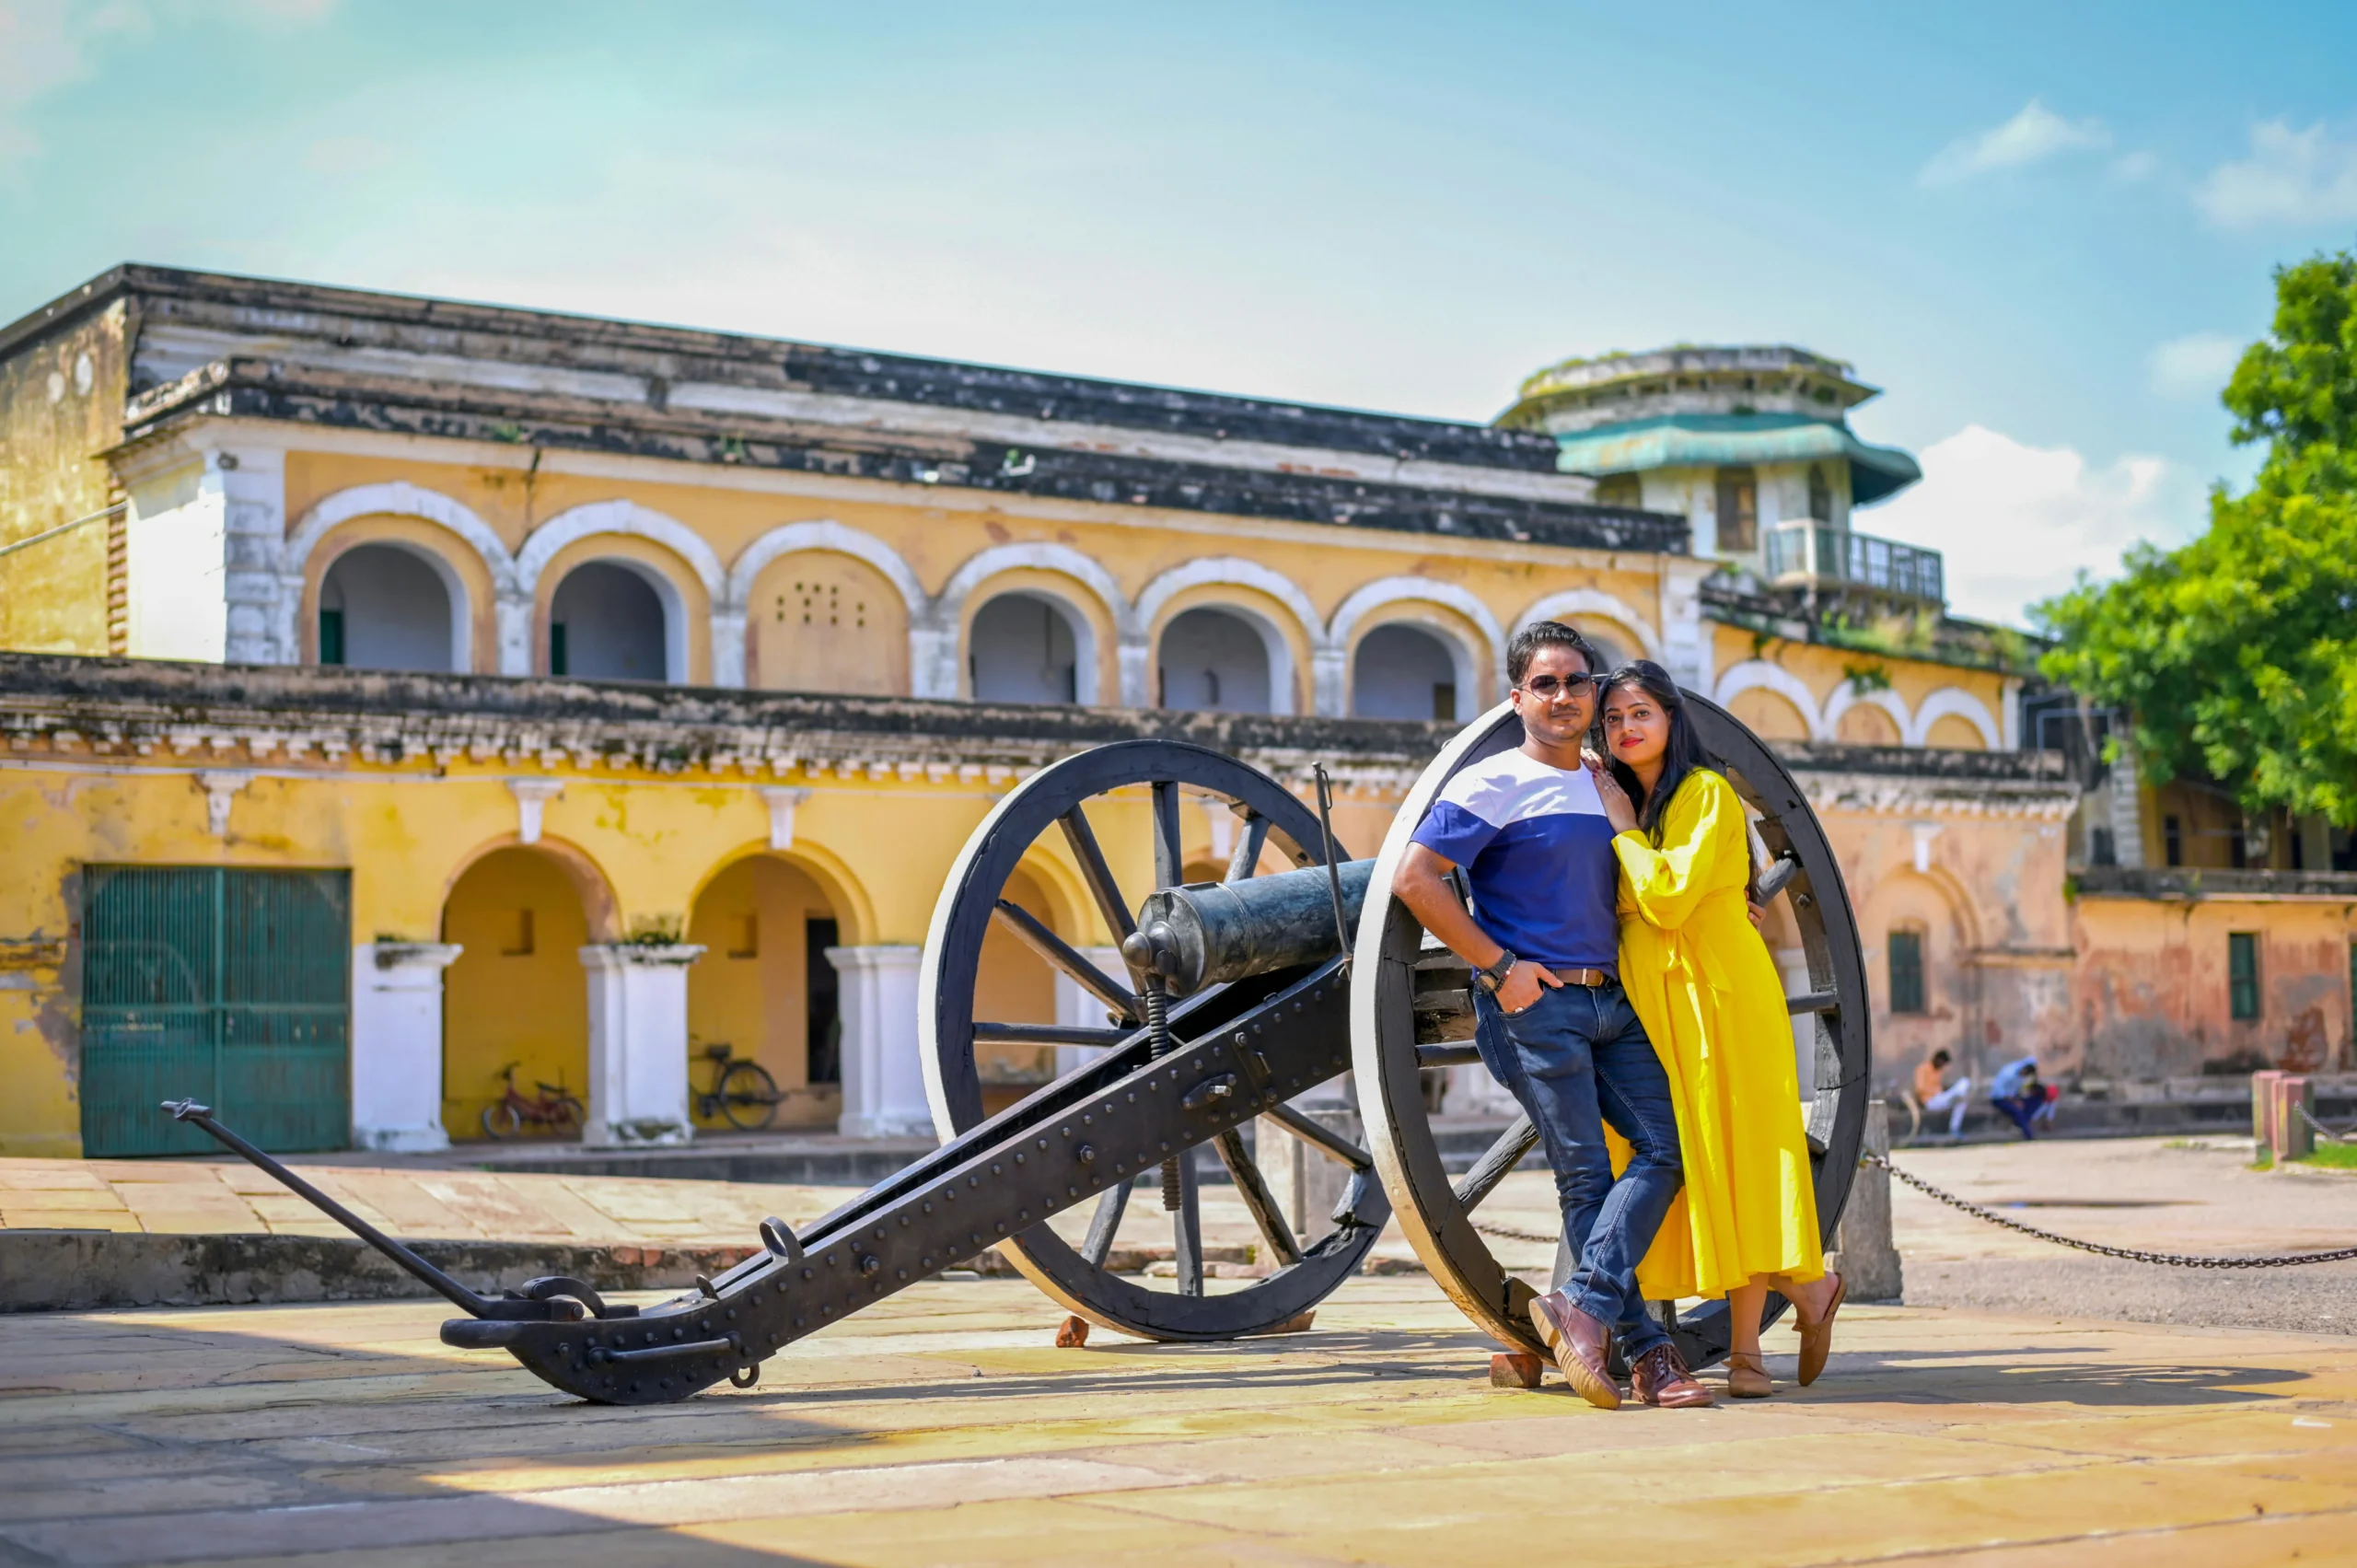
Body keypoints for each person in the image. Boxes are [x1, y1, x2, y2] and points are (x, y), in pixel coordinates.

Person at [1393, 622, 1712, 1411]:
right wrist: (1500, 969)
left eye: (1577, 681)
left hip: (1612, 997)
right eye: (1546, 683)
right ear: (1518, 698)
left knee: (1667, 1149)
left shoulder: (1610, 785)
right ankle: (1654, 1357)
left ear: (1595, 691)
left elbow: (1659, 873)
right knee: (1584, 1175)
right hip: (1535, 1006)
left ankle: (1583, 1306)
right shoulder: (1492, 783)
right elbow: (1416, 879)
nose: (1564, 695)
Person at [1587, 660, 1844, 1400]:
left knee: (1742, 1158)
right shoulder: (1626, 803)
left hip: (1723, 999)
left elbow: (1665, 898)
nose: (1626, 727)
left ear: (1672, 718)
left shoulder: (1704, 793)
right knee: (1695, 1162)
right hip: (1663, 1003)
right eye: (1614, 718)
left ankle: (1746, 1354)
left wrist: (1626, 832)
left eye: (1640, 712)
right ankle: (1811, 1287)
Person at [1989, 1054, 2055, 1139]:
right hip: (1999, 1099)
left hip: (2013, 1098)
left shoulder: (2022, 1074)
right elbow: (1999, 1092)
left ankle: (2020, 1124)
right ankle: (2029, 1135)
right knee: (2017, 1111)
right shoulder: (2009, 1073)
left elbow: (2017, 1091)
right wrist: (2014, 1101)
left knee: (2036, 1100)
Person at [1913, 1049, 1973, 1140]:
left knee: (1964, 1086)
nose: (1943, 1066)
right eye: (1943, 1063)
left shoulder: (1939, 1071)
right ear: (1938, 1060)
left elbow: (1939, 1087)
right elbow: (1920, 1089)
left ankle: (1954, 1129)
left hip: (1941, 1098)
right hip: (1930, 1101)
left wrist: (1943, 1090)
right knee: (1959, 1097)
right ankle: (1958, 1095)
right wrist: (1936, 1091)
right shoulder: (1922, 1069)